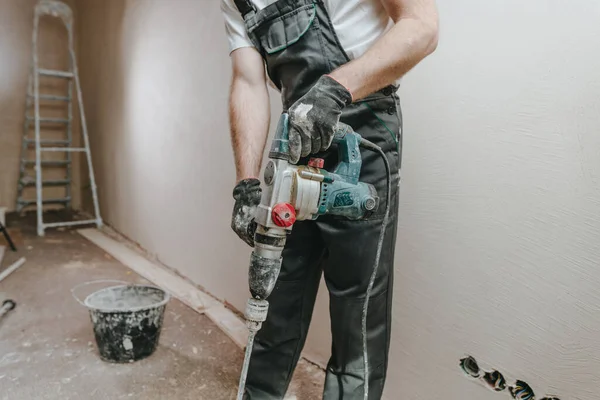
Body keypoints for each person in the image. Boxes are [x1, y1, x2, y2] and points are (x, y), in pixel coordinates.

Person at [222, 0, 438, 398]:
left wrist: (335, 89)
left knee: (357, 314)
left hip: (363, 132)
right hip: (296, 140)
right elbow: (248, 81)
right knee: (276, 297)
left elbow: (422, 26)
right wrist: (247, 182)